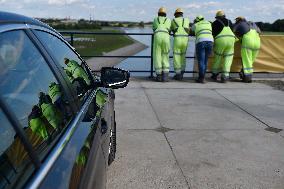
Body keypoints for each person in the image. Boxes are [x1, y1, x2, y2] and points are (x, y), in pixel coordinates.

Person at [233, 17, 261, 83]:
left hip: (248, 43)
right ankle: (243, 73)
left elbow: (235, 33)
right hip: (257, 43)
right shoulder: (253, 24)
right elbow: (260, 32)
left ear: (239, 20)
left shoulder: (240, 24)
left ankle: (247, 78)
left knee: (247, 61)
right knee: (250, 62)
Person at [211, 10, 236, 83]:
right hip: (231, 40)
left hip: (220, 40)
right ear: (224, 16)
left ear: (217, 17)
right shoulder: (229, 21)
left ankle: (215, 74)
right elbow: (233, 30)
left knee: (218, 57)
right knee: (228, 58)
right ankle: (225, 76)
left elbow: (213, 33)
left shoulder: (215, 23)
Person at [191, 15, 214, 83]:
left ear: (197, 20)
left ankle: (201, 78)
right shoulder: (209, 23)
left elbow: (191, 30)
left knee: (201, 60)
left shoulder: (196, 24)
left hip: (201, 41)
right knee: (205, 60)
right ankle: (203, 76)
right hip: (210, 41)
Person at [152, 7, 171, 82]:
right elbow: (169, 29)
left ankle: (159, 75)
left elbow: (154, 29)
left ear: (158, 13)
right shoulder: (168, 20)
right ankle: (165, 76)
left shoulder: (155, 19)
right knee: (165, 54)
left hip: (157, 36)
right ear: (165, 14)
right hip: (166, 36)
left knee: (157, 55)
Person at [171, 8, 190, 80]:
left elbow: (172, 30)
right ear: (182, 14)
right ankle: (182, 72)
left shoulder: (173, 20)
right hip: (185, 40)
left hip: (177, 40)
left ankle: (178, 74)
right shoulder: (187, 20)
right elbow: (188, 29)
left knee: (176, 56)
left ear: (176, 14)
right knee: (183, 56)